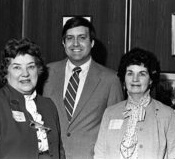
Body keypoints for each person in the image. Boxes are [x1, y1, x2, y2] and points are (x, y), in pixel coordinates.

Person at [0, 38, 65, 159]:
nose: (25, 74)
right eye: (17, 67)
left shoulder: (48, 105)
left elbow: (59, 152)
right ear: (6, 72)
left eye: (30, 67)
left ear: (38, 70)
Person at [43, 16, 124, 159]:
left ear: (91, 43)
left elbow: (116, 130)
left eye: (82, 37)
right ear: (63, 43)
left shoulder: (111, 79)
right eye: (69, 38)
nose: (75, 44)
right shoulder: (47, 73)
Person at [94, 47, 175, 159]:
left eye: (142, 74)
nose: (135, 79)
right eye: (130, 73)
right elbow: (99, 154)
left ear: (151, 80)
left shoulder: (167, 115)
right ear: (124, 78)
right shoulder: (110, 113)